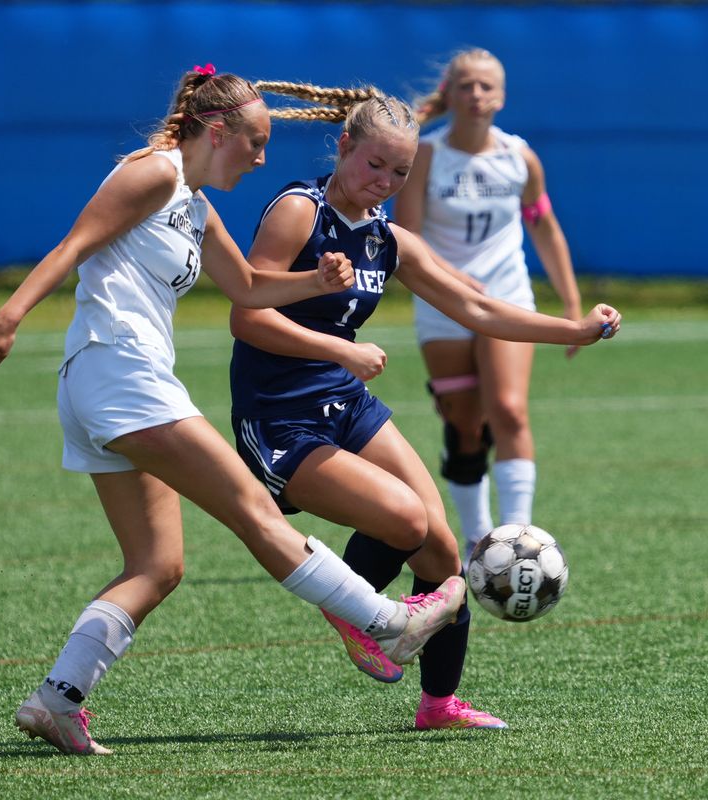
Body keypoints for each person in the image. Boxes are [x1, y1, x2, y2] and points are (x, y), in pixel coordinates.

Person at [0, 65, 467, 756]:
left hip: (111, 385)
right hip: (120, 373)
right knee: (254, 512)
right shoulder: (151, 172)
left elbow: (248, 287)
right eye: (255, 142)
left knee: (157, 565)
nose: (262, 157)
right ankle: (386, 621)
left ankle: (57, 701)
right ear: (216, 130)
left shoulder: (197, 207)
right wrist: (10, 315)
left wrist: (316, 280)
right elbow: (74, 245)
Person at [228, 79, 620, 729]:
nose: (384, 180)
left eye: (400, 172)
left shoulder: (386, 239)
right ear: (345, 146)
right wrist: (342, 352)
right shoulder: (299, 211)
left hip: (342, 401)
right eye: (374, 163)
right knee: (407, 522)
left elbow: (477, 307)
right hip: (278, 417)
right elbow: (247, 317)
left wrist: (574, 328)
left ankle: (439, 704)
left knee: (442, 554)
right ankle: (353, 606)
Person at [394, 48, 585, 563]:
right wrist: (455, 280)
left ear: (501, 96)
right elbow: (406, 236)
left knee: (508, 410)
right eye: (466, 85)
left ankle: (519, 539)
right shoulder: (426, 157)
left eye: (485, 86)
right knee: (463, 422)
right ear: (449, 94)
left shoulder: (519, 158)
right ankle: (480, 540)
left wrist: (570, 301)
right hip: (442, 300)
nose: (476, 95)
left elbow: (542, 225)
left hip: (506, 295)